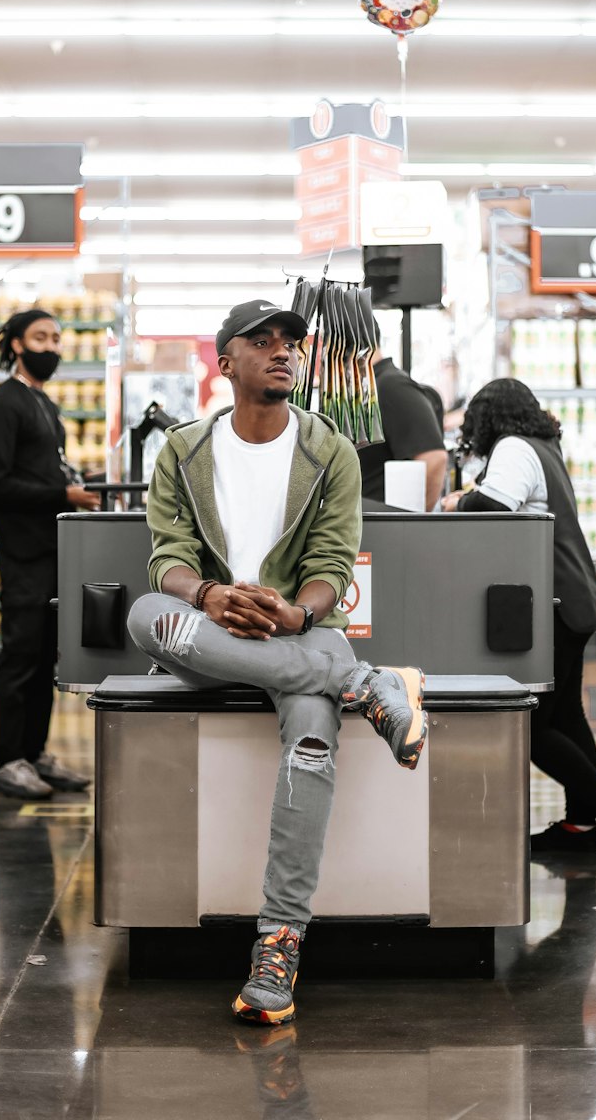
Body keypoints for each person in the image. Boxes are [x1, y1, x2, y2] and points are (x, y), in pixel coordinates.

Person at [127, 299, 428, 1026]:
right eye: (261, 341)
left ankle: (278, 944)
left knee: (314, 736)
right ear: (225, 363)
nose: (282, 350)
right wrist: (210, 594)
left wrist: (297, 613)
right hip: (211, 628)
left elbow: (331, 563)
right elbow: (166, 557)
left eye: (290, 340)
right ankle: (363, 683)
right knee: (143, 614)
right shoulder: (183, 451)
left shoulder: (329, 452)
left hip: (301, 633)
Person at [441, 378, 596, 855]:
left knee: (530, 726)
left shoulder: (513, 447)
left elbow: (492, 505)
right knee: (567, 717)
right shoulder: (543, 445)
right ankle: (580, 825)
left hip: (554, 601)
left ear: (488, 418)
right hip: (574, 597)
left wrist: (456, 501)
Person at [0, 308, 100, 801]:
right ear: (15, 344)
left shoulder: (44, 404)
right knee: (20, 657)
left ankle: (35, 753)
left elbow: (48, 472)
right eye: (40, 337)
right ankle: (8, 761)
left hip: (54, 551)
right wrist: (62, 496)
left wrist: (76, 484)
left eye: (56, 337)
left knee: (46, 657)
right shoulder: (2, 405)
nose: (51, 346)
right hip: (24, 553)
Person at [358, 337, 447, 511]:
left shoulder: (390, 386)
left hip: (387, 529)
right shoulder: (370, 387)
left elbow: (434, 459)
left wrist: (408, 525)